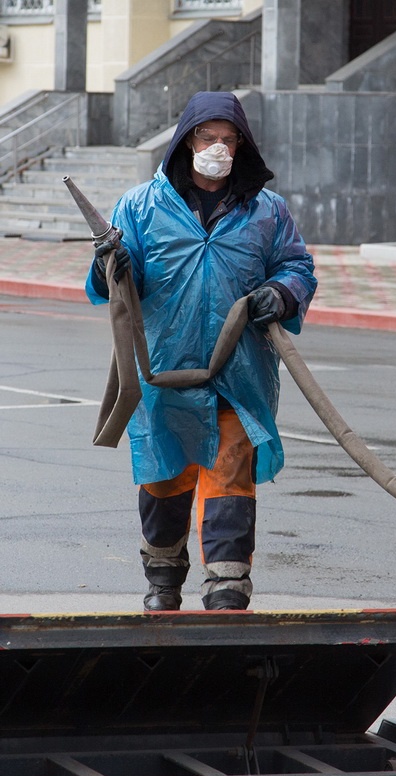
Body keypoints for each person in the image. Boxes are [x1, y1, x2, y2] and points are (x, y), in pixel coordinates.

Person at [85, 91, 317, 612]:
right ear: (188, 139)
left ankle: (227, 589)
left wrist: (280, 293)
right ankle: (163, 582)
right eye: (208, 137)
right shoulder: (140, 206)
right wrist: (109, 265)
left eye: (227, 138)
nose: (218, 147)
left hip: (238, 374)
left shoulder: (266, 211)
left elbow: (297, 267)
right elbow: (113, 284)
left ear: (241, 144)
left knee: (230, 474)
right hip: (164, 373)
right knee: (165, 480)